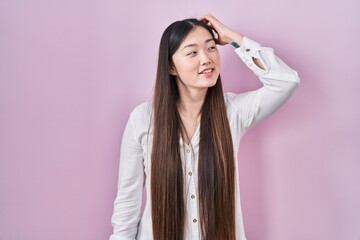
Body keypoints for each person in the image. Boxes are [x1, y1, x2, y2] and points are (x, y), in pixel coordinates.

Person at [109, 14, 300, 240]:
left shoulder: (232, 112)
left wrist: (235, 39)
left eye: (211, 48)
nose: (206, 59)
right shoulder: (143, 119)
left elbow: (286, 81)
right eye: (192, 52)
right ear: (171, 66)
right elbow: (127, 204)